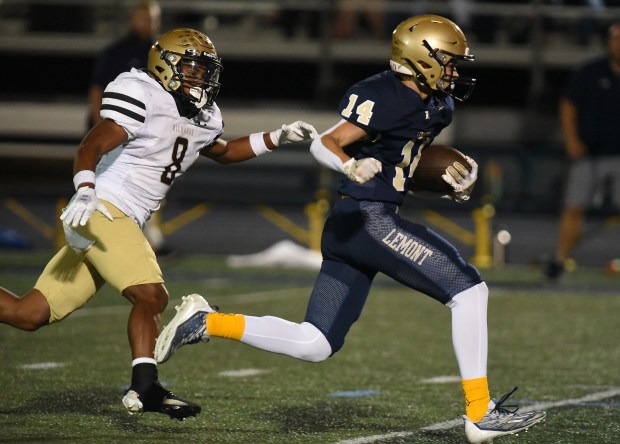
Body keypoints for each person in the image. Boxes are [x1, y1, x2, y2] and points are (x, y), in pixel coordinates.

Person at [154, 15, 546, 443]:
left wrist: (449, 183)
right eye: (448, 61)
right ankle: (479, 412)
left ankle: (206, 322)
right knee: (469, 290)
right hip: (366, 218)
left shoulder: (438, 104)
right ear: (421, 59)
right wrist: (349, 163)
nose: (455, 71)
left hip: (357, 222)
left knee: (316, 343)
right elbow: (326, 141)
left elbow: (402, 166)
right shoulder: (384, 93)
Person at [0, 28, 317, 420]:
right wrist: (84, 189)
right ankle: (145, 388)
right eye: (192, 68)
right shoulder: (141, 92)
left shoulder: (202, 115)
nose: (199, 78)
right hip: (103, 208)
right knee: (151, 296)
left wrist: (277, 136)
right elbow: (91, 146)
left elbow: (225, 151)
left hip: (117, 219)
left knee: (28, 313)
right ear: (164, 65)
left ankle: (145, 386)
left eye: (204, 71)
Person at [87, 0, 171, 255]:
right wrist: (101, 128)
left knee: (148, 185)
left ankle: (142, 241)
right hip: (116, 132)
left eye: (152, 18)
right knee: (106, 186)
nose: (148, 24)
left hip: (145, 136)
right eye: (144, 18)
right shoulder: (117, 52)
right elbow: (97, 89)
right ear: (132, 20)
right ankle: (98, 238)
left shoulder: (162, 53)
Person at [545, 22, 620, 280]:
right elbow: (568, 105)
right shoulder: (590, 71)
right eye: (615, 38)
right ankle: (559, 261)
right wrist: (571, 139)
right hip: (590, 153)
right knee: (574, 207)